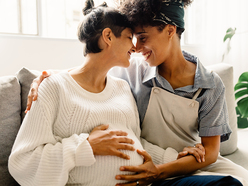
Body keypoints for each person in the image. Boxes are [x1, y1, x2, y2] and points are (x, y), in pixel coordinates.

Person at [23, 0, 245, 186]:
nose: (136, 47)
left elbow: (210, 152)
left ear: (170, 30)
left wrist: (162, 168)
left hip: (191, 161)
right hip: (153, 166)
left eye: (143, 37)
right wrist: (45, 77)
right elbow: (90, 69)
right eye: (132, 38)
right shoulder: (130, 71)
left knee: (239, 180)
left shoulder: (210, 85)